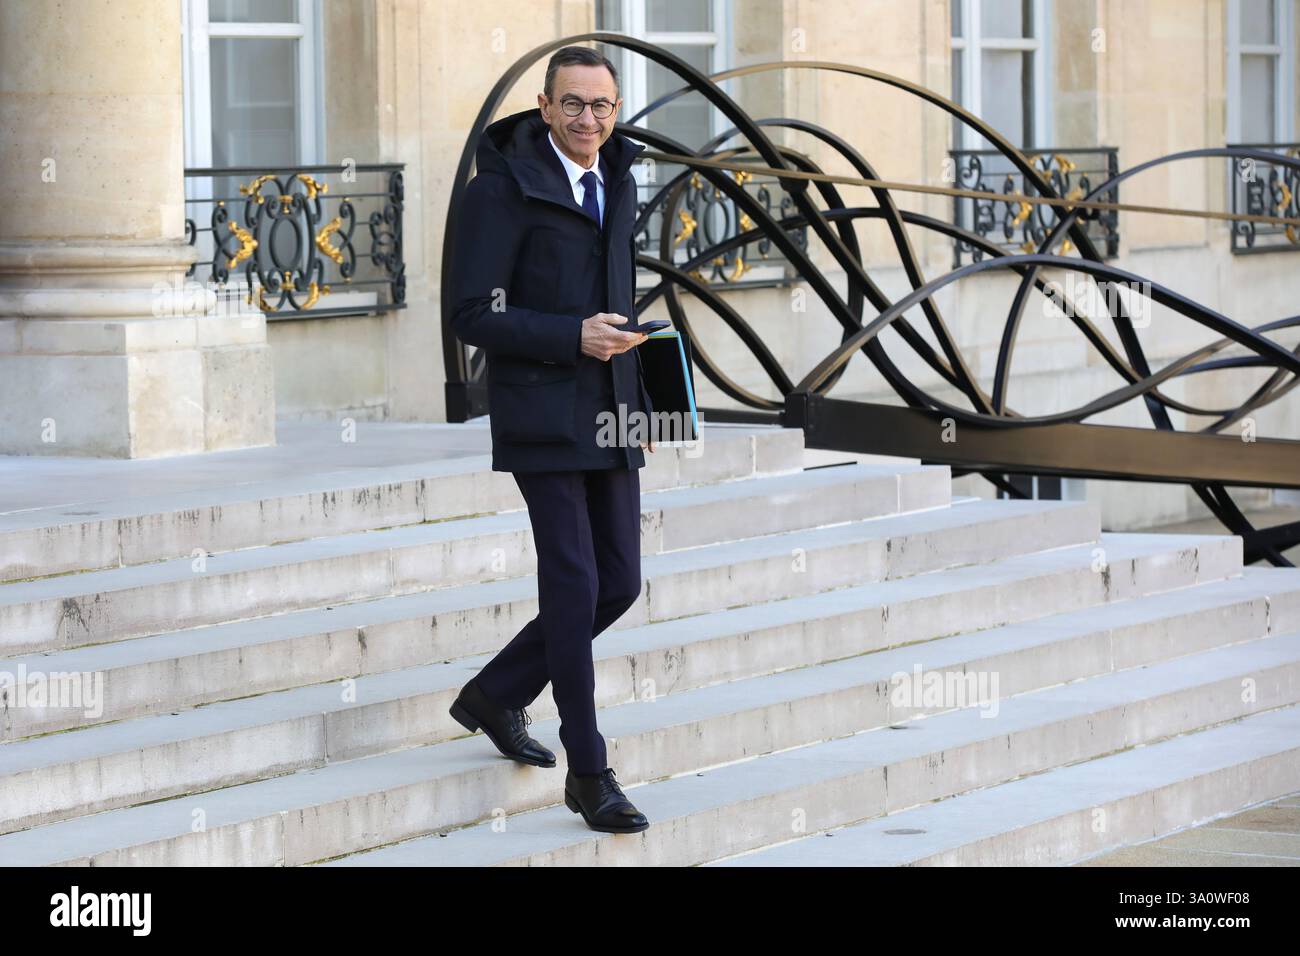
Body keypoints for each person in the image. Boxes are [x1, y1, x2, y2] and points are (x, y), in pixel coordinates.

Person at [446, 45, 656, 834]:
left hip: (610, 410)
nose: (589, 121)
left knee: (620, 583)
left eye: (602, 107)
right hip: (540, 412)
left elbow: (621, 306)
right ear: (545, 105)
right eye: (574, 105)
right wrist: (571, 337)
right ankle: (590, 771)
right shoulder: (500, 190)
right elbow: (472, 314)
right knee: (573, 584)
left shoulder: (620, 178)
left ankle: (496, 692)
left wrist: (644, 408)